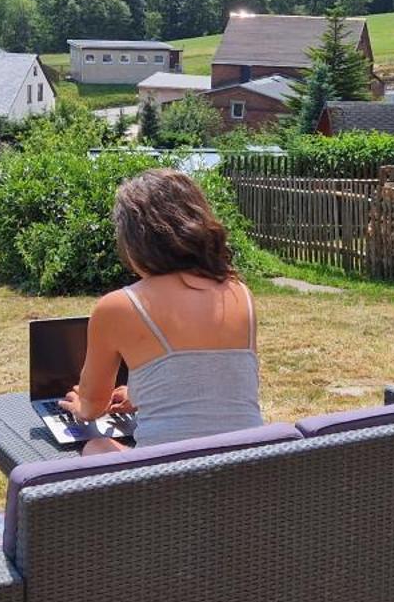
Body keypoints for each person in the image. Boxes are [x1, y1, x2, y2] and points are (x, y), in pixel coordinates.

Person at [60, 168, 264, 453]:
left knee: (95, 445)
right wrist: (148, 393)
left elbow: (93, 406)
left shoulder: (118, 306)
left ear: (133, 240)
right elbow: (219, 381)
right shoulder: (240, 292)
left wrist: (79, 406)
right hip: (247, 468)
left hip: (167, 485)